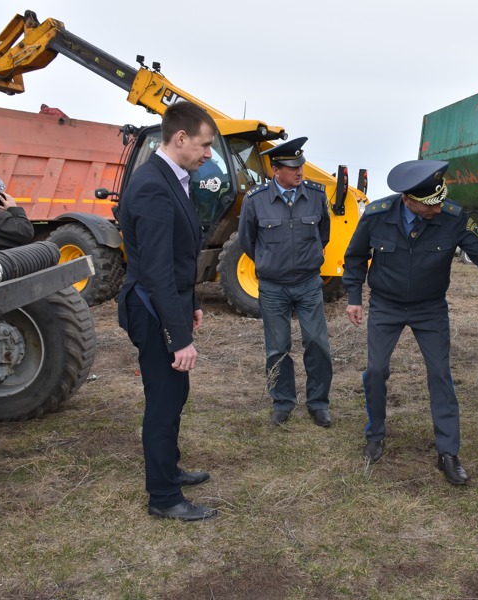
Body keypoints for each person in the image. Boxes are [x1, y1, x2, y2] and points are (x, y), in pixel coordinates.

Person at [343, 159, 478, 486]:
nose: (439, 207)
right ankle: (375, 436)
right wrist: (354, 297)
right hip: (386, 305)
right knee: (375, 370)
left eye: (442, 199)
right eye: (431, 204)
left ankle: (448, 453)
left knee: (440, 374)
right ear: (408, 201)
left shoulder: (454, 218)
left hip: (429, 308)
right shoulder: (376, 215)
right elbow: (355, 257)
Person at [116, 101, 219, 521]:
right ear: (180, 139)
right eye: (205, 144)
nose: (208, 154)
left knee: (176, 393)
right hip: (151, 307)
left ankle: (169, 469)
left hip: (167, 302)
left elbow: (179, 255)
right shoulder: (153, 186)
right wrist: (179, 338)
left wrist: (191, 303)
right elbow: (156, 271)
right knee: (162, 400)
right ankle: (163, 497)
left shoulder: (173, 178)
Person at [238, 137, 333, 428]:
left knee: (317, 343)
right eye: (293, 168)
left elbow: (324, 234)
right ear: (275, 170)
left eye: (301, 166)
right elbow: (247, 241)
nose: (300, 172)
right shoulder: (255, 201)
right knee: (277, 348)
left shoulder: (316, 196)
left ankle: (318, 403)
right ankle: (282, 402)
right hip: (273, 288)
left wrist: (309, 258)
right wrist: (270, 264)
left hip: (308, 283)